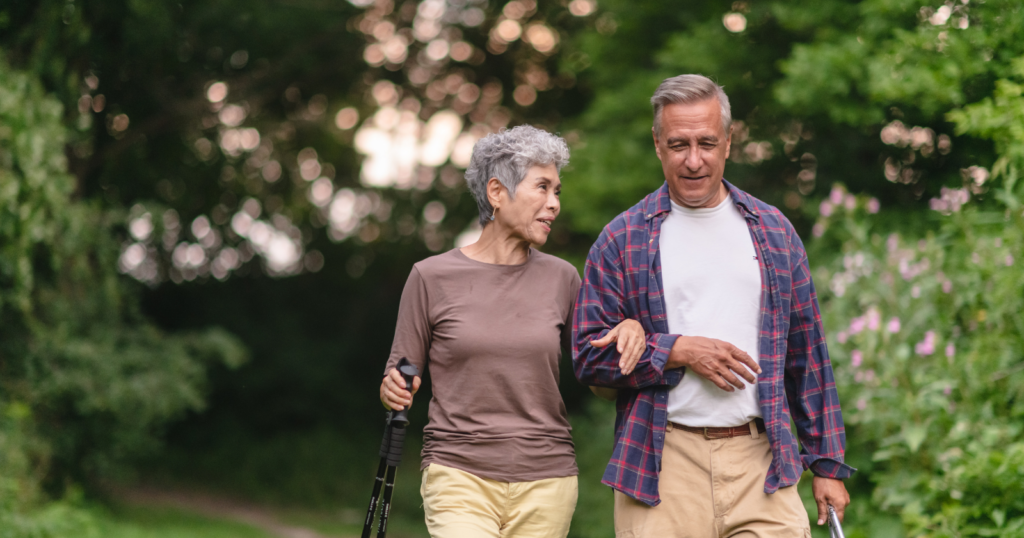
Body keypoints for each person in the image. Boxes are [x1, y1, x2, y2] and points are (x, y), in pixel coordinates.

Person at [572, 74, 854, 538]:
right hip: (661, 465)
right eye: (678, 144)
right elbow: (587, 356)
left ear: (728, 141)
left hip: (762, 462)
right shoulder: (621, 239)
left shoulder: (774, 230)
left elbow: (807, 355)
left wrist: (827, 464)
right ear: (657, 144)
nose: (693, 160)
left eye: (706, 142)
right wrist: (676, 350)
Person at [379, 125, 646, 538]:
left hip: (547, 479)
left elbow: (602, 383)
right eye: (542, 187)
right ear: (497, 192)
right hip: (458, 473)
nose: (554, 203)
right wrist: (392, 389)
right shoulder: (430, 277)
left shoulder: (563, 278)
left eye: (557, 191)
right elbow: (398, 375)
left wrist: (627, 330)